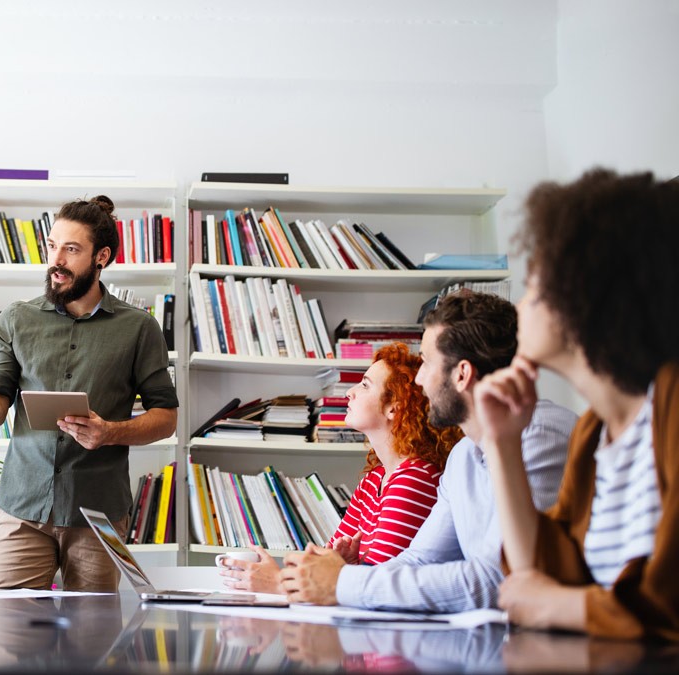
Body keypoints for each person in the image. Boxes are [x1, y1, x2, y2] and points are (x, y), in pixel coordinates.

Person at [220, 291, 577, 611]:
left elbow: (494, 580)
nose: (419, 382)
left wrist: (338, 582)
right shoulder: (464, 457)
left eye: (427, 363)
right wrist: (327, 579)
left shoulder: (539, 437)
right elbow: (421, 559)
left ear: (462, 374)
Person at [0, 196, 178, 591]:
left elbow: (166, 418)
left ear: (102, 257)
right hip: (22, 509)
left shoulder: (139, 329)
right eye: (52, 246)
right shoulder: (16, 319)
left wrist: (109, 432)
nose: (56, 260)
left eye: (71, 249)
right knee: (9, 639)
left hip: (98, 515)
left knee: (92, 644)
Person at [474, 169, 679, 640]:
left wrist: (562, 606)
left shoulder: (671, 400)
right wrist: (503, 442)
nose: (519, 307)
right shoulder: (592, 432)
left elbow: (554, 598)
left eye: (531, 289)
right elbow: (536, 575)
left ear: (582, 291)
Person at [305, 344, 461, 565]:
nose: (350, 392)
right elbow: (323, 563)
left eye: (365, 385)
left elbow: (378, 577)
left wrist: (341, 568)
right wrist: (343, 565)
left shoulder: (415, 478)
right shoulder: (374, 480)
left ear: (394, 408)